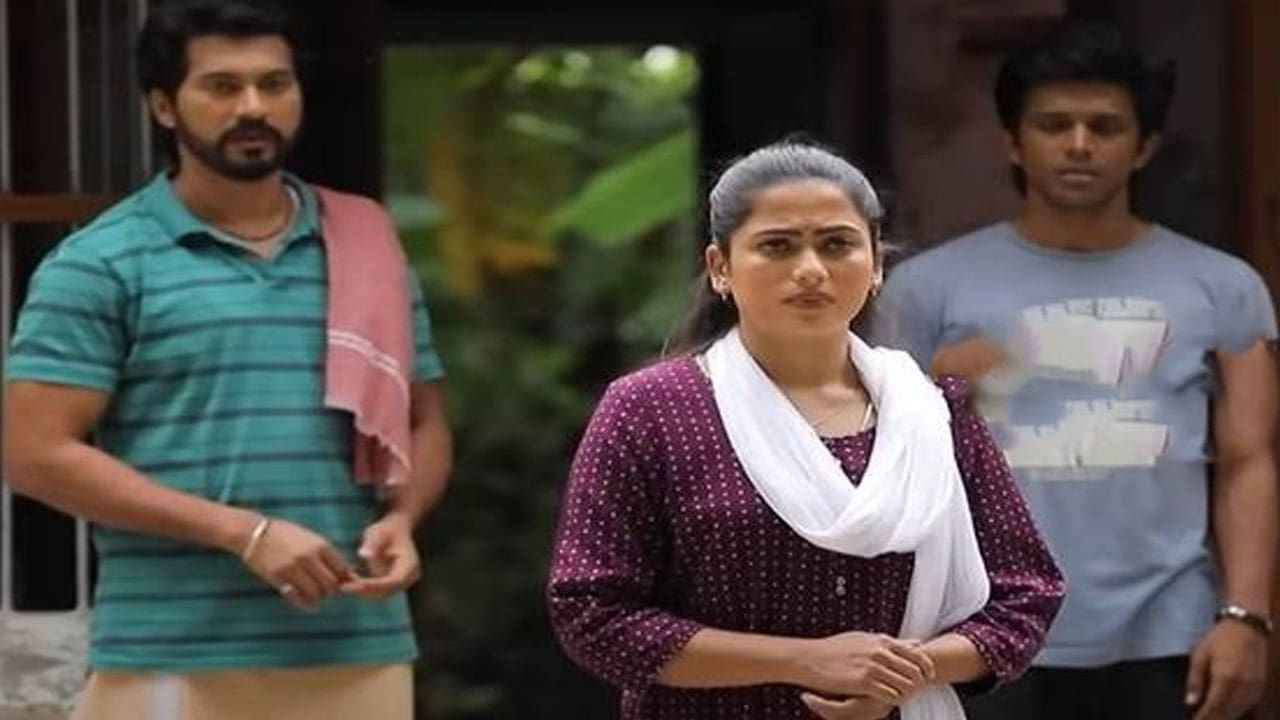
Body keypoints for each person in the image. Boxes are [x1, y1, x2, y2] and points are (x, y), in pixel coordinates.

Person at [2, 1, 452, 718]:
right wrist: (245, 534)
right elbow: (33, 452)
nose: (252, 107)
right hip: (171, 649)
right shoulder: (100, 262)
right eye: (222, 86)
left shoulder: (365, 243)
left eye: (274, 84)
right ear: (163, 105)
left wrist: (403, 517)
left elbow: (423, 420)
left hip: (357, 645)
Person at [546, 140, 1065, 720]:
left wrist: (897, 675)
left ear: (876, 265)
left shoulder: (935, 413)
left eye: (837, 244)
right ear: (720, 268)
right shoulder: (650, 411)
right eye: (778, 246)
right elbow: (593, 613)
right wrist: (804, 662)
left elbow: (1026, 597)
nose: (812, 270)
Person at [872, 19, 1277, 720]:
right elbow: (863, 457)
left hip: (1166, 632)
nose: (1079, 145)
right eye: (1054, 125)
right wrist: (937, 390)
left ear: (1144, 146)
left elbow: (1250, 461)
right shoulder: (925, 290)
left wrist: (1246, 616)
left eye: (1105, 127)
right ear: (1013, 142)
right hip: (979, 631)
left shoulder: (1224, 287)